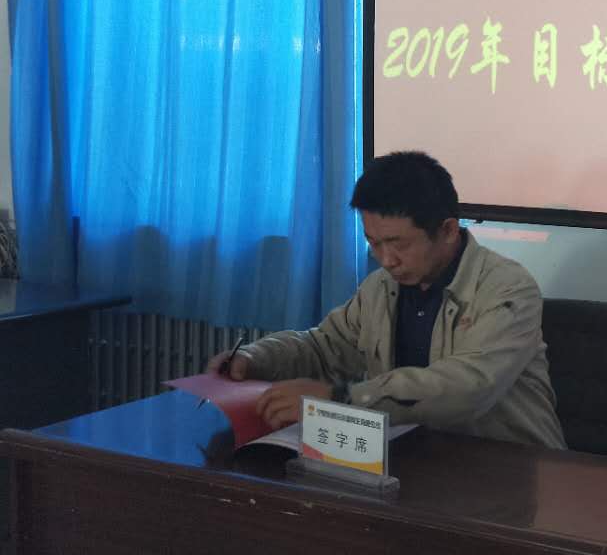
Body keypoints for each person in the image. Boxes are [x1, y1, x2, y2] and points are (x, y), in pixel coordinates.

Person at [210, 151, 565, 448]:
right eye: (374, 243)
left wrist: (342, 399)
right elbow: (324, 348)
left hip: (513, 468)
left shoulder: (507, 288)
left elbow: (468, 387)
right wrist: (257, 358)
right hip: (416, 458)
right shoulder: (381, 287)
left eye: (398, 244)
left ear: (447, 231)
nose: (386, 259)